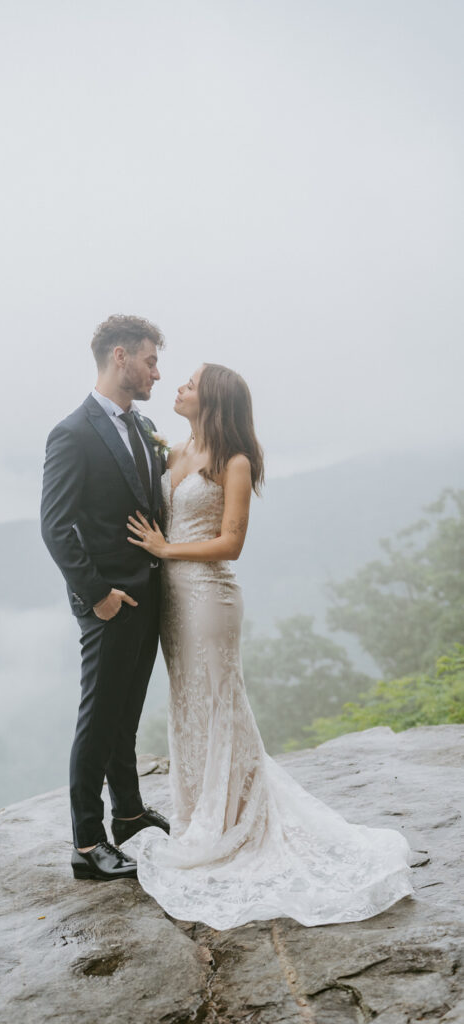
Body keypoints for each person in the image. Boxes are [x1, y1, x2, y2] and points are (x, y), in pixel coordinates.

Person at [125, 362, 414, 928]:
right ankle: (199, 814)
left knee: (218, 700)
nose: (179, 387)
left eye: (190, 382)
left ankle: (236, 819)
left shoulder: (233, 461)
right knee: (188, 702)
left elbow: (231, 542)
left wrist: (165, 551)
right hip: (172, 604)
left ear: (213, 398)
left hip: (209, 597)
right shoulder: (174, 450)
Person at [40, 314, 171, 882]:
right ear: (120, 357)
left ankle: (130, 814)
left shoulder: (142, 427)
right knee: (97, 719)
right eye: (150, 361)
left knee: (126, 716)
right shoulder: (71, 433)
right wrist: (98, 595)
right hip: (110, 602)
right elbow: (55, 525)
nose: (156, 373)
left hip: (151, 597)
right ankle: (88, 844)